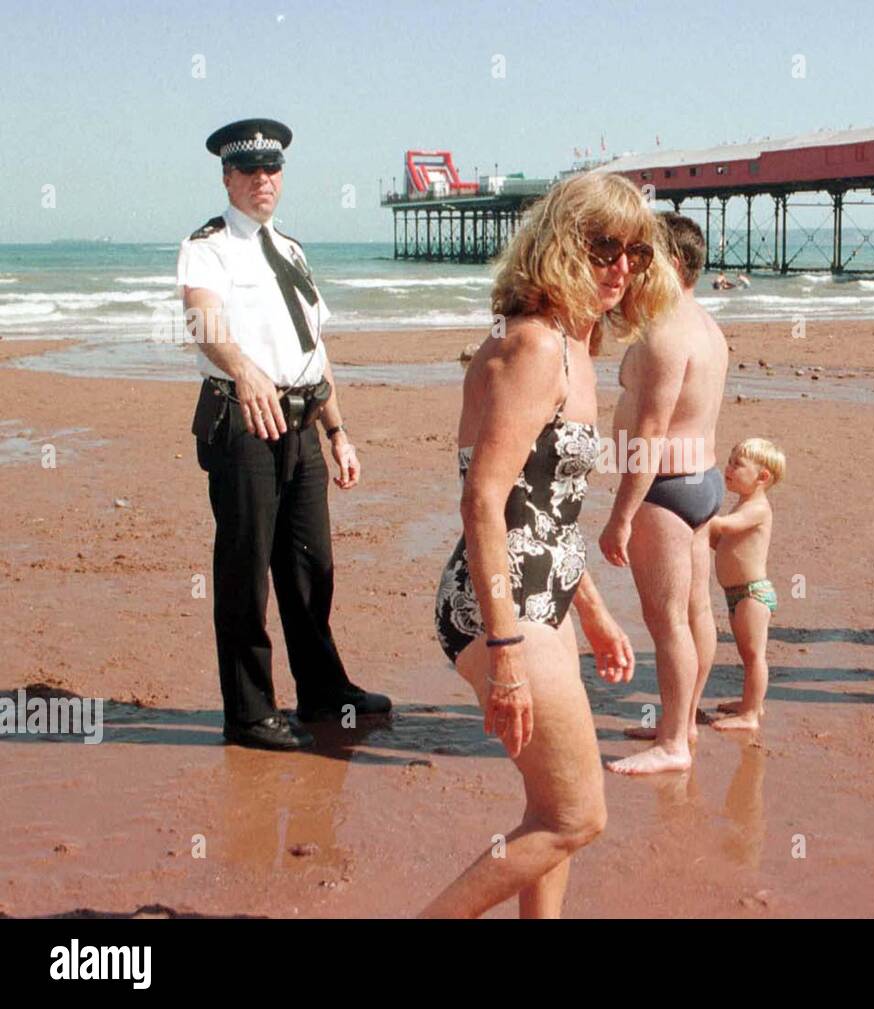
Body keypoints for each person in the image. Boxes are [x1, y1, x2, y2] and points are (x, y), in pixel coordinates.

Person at [424, 172, 677, 918]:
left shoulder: (575, 346)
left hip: (545, 594)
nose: (622, 267)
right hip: (500, 602)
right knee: (577, 815)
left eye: (635, 251)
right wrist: (504, 651)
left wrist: (590, 609)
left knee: (550, 813)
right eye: (604, 247)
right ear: (563, 244)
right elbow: (483, 502)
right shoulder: (532, 345)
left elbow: (552, 511)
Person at [178, 118, 390, 751]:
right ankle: (249, 713)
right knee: (245, 570)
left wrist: (338, 430)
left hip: (301, 424)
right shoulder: (208, 246)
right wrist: (244, 371)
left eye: (272, 170)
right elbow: (203, 321)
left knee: (310, 567)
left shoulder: (292, 250)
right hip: (242, 422)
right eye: (248, 171)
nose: (262, 180)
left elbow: (313, 347)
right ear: (227, 177)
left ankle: (323, 691)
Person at [599, 212, 729, 775]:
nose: (631, 267)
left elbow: (648, 434)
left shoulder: (665, 333)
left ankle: (674, 743)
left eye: (644, 256)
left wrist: (620, 516)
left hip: (666, 489)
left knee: (667, 620)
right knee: (695, 610)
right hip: (702, 480)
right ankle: (682, 721)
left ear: (672, 265)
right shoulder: (705, 324)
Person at [707, 438, 784, 732]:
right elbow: (723, 542)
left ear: (762, 477)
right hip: (736, 595)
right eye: (729, 461)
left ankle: (751, 713)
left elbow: (725, 527)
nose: (728, 468)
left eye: (737, 465)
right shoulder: (742, 504)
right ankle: (749, 701)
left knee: (754, 656)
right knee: (745, 652)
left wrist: (696, 509)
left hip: (753, 594)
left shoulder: (758, 508)